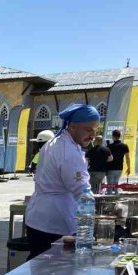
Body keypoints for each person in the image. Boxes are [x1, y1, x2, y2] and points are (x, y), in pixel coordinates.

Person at [25, 104, 100, 258]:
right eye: (88, 129)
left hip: (39, 217)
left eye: (95, 130)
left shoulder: (55, 143)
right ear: (72, 126)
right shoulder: (68, 151)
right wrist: (93, 221)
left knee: (37, 267)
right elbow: (83, 193)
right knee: (54, 272)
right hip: (55, 222)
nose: (93, 135)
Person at [105, 129, 130, 193]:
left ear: (113, 136)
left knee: (109, 185)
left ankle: (109, 200)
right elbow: (127, 157)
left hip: (110, 168)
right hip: (119, 168)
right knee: (116, 184)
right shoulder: (124, 146)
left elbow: (106, 158)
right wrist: (128, 168)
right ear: (120, 136)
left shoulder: (109, 146)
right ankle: (116, 198)